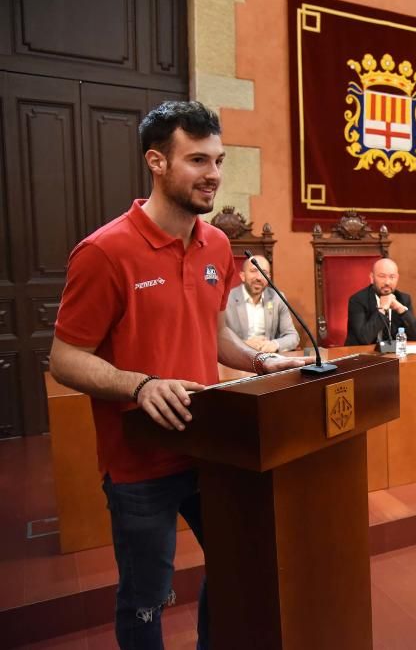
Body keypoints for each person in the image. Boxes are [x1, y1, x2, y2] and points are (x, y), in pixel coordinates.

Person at [47, 101, 308, 649]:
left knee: (236, 561)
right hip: (140, 460)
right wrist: (141, 385)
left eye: (218, 160)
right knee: (147, 597)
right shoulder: (104, 252)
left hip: (212, 445)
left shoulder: (216, 244)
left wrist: (263, 361)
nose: (213, 174)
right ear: (157, 162)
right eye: (197, 160)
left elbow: (213, 336)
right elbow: (66, 358)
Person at [224, 255, 300, 352]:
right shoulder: (227, 299)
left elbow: (293, 337)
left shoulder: (277, 298)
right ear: (242, 276)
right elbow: (217, 338)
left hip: (268, 359)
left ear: (268, 278)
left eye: (264, 273)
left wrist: (275, 344)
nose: (259, 277)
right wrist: (243, 344)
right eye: (253, 271)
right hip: (237, 359)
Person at [344, 257, 416, 345]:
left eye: (392, 277)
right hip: (362, 354)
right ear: (372, 278)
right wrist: (382, 310)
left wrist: (401, 309)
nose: (387, 282)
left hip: (393, 354)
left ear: (397, 278)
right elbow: (364, 339)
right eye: (382, 276)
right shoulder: (358, 300)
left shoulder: (403, 299)